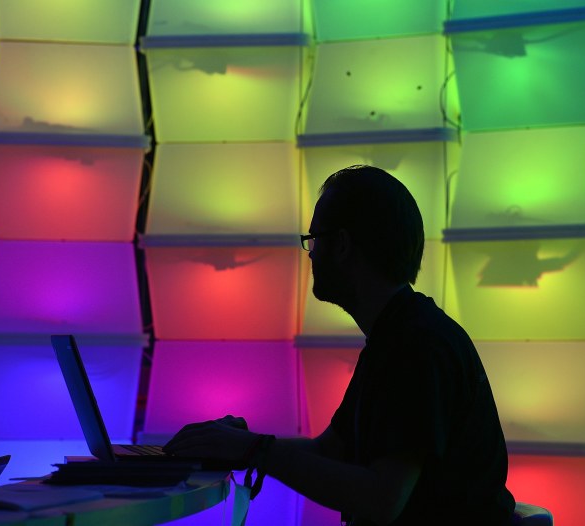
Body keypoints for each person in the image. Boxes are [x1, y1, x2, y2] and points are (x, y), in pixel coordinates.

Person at [164, 165, 515, 525]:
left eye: (314, 240)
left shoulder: (415, 348)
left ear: (343, 245)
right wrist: (243, 447)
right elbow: (331, 451)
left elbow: (381, 499)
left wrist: (254, 449)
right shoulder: (402, 335)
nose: (311, 254)